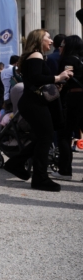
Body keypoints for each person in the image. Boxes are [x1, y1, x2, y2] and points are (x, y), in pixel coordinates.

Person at [3, 29, 72, 192]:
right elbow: (36, 78)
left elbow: (35, 81)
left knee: (41, 138)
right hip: (34, 104)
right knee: (46, 138)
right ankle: (39, 178)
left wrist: (55, 84)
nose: (51, 41)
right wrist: (58, 77)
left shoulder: (33, 56)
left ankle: (16, 164)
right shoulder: (36, 55)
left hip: (32, 103)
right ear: (39, 40)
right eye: (48, 38)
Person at [52, 35, 83, 181]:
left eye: (63, 44)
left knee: (64, 134)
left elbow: (66, 78)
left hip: (74, 99)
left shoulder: (68, 60)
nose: (60, 47)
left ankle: (65, 171)